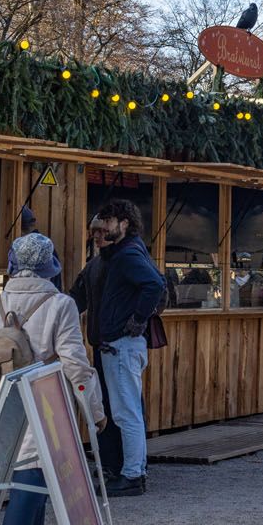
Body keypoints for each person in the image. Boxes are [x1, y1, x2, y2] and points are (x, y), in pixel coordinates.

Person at [0, 233, 106, 525]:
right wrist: (94, 412)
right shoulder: (60, 304)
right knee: (30, 480)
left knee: (31, 478)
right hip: (41, 403)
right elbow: (76, 364)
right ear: (50, 266)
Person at [88, 199, 166, 497]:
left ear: (124, 224)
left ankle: (132, 475)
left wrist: (137, 319)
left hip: (120, 345)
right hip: (123, 344)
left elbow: (155, 285)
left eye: (109, 221)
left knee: (125, 412)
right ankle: (134, 471)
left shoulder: (127, 254)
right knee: (128, 410)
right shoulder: (127, 252)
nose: (104, 227)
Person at [69, 218, 122, 480]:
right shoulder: (94, 266)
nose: (97, 236)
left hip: (118, 345)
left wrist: (133, 325)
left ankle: (127, 467)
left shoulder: (126, 261)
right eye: (94, 232)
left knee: (121, 407)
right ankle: (113, 464)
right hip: (101, 343)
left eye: (102, 231)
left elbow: (158, 290)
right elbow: (75, 299)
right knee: (107, 404)